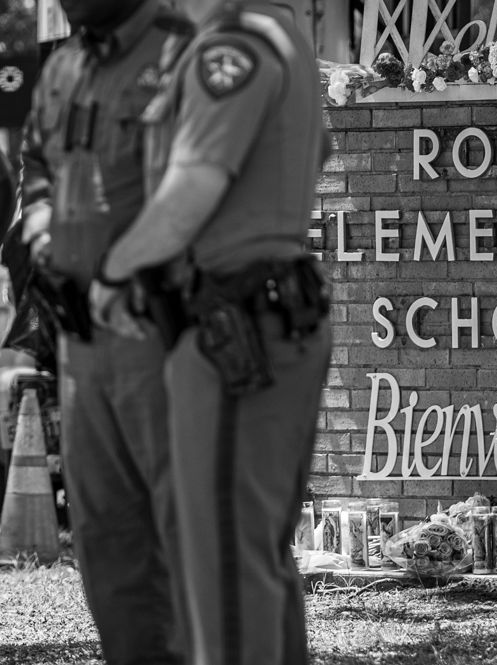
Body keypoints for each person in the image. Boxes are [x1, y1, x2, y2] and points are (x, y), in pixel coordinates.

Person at [91, 1, 331, 663]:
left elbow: (190, 189)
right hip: (262, 318)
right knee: (255, 559)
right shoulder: (282, 36)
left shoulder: (234, 47)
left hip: (235, 329)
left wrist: (114, 271)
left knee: (224, 564)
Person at [18, 1, 192, 663]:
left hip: (164, 338)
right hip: (82, 346)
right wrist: (42, 240)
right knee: (104, 536)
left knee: (185, 535)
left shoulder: (184, 55)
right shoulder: (61, 66)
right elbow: (36, 165)